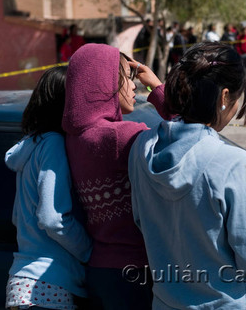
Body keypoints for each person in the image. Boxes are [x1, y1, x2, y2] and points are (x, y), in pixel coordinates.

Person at [128, 42, 246, 309]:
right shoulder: (234, 163)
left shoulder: (141, 148)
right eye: (238, 98)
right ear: (225, 96)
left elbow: (140, 220)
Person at [62, 43, 170, 309]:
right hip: (135, 270)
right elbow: (187, 140)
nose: (134, 87)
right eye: (126, 77)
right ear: (102, 82)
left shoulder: (74, 138)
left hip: (99, 269)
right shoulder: (120, 136)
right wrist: (156, 87)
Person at [5, 66, 92, 309]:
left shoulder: (31, 145)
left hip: (22, 283)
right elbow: (52, 218)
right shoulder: (53, 145)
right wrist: (89, 251)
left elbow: (17, 217)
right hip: (48, 286)